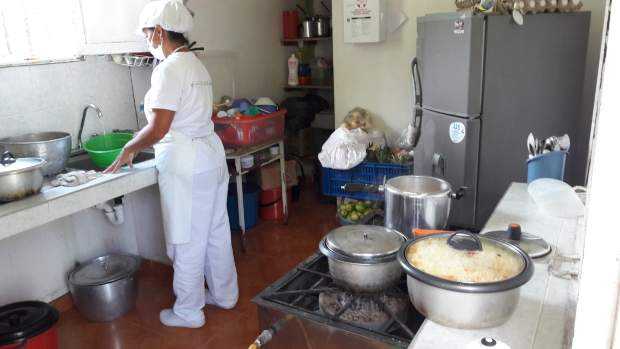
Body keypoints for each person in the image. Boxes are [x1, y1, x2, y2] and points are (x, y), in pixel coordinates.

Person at [104, 0, 238, 328]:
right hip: (209, 156)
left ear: (160, 32)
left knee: (186, 238)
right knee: (215, 231)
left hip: (187, 163)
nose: (147, 42)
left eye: (148, 34)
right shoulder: (196, 65)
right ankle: (224, 294)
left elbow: (160, 127)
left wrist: (130, 148)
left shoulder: (169, 69)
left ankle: (189, 311)